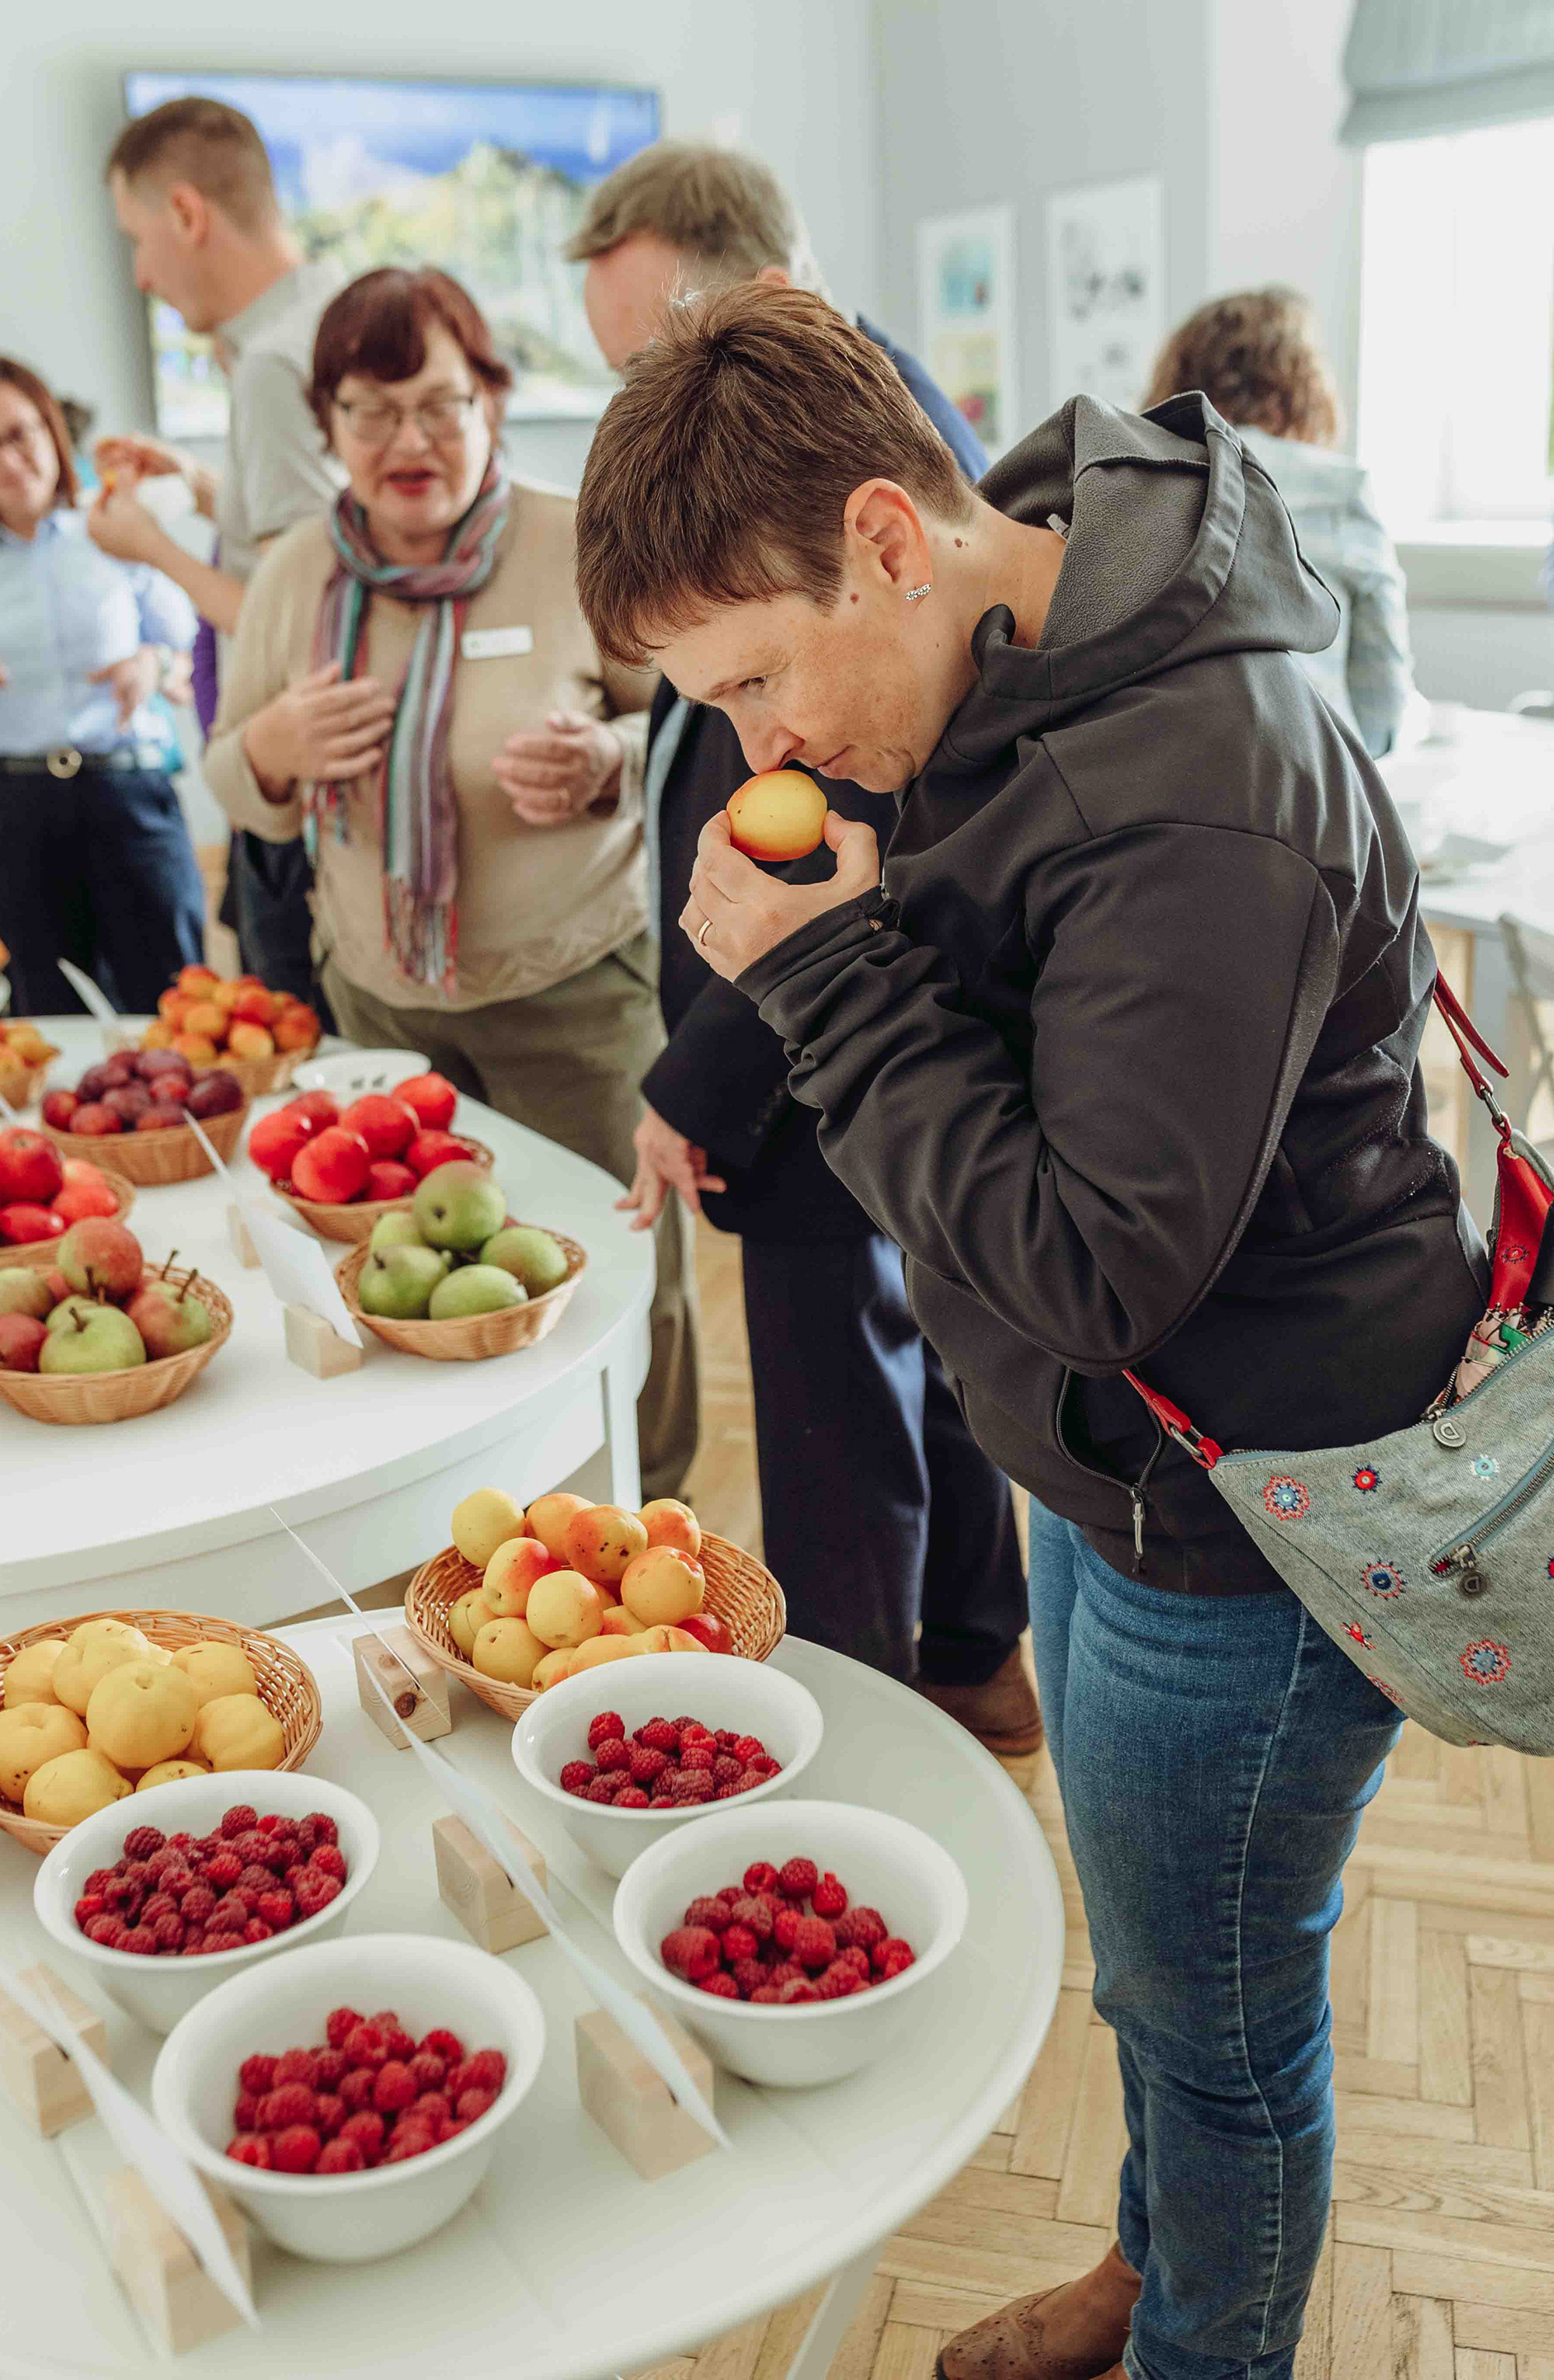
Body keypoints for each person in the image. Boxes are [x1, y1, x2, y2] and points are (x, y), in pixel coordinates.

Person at [572, 284, 1487, 2380]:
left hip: (1251, 1514)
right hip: (1114, 1462)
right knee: (1162, 1977)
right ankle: (1152, 2276)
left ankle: (1204, 2351)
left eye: (755, 679)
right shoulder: (1004, 619)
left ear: (889, 539)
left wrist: (820, 979)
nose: (757, 747)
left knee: (1220, 2013)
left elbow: (1095, 1269)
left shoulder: (1195, 792)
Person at [568, 141, 1033, 1745]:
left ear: (762, 300)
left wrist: (701, 1076)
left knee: (836, 1417)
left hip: (811, 1034)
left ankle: (864, 1730)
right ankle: (972, 1651)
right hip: (832, 1024)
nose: (645, 418)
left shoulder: (857, 516)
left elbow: (840, 815)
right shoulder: (855, 461)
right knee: (922, 1356)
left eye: (657, 361)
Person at [203, 265, 694, 1499]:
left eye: (438, 405)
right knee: (416, 1281)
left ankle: (649, 1509)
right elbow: (230, 771)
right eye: (369, 412)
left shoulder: (577, 541)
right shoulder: (296, 575)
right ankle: (470, 1524)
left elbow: (695, 724)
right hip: (380, 1009)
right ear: (328, 425)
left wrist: (608, 760)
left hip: (575, 996)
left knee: (618, 1272)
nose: (406, 441)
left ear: (492, 402)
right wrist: (274, 750)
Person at [89, 94, 347, 1007]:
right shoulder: (328, 317)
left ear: (187, 214)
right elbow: (327, 544)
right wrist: (203, 486)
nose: (141, 273)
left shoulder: (274, 364)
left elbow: (300, 619)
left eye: (138, 238)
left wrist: (148, 546)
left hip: (298, 790)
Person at [0, 355, 203, 1013]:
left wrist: (152, 662)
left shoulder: (111, 527)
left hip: (127, 794)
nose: (7, 458)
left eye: (20, 433)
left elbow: (187, 646)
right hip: (8, 812)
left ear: (52, 431)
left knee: (173, 1006)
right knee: (37, 1016)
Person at [1144, 286, 1416, 758]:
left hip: (1165, 768)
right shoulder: (1342, 488)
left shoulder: (1142, 480)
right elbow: (1382, 701)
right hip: (1313, 771)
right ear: (1301, 385)